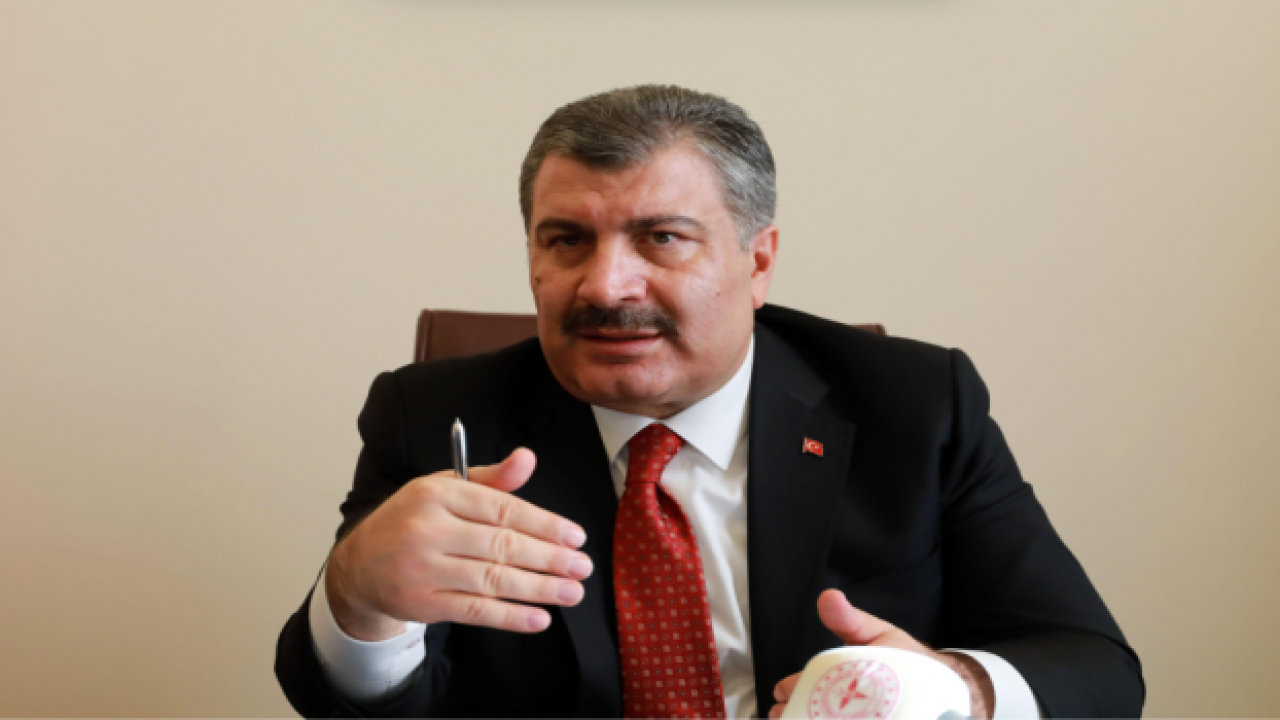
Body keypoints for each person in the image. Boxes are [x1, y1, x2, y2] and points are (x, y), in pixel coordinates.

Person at [275, 85, 1143, 720]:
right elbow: (352, 704)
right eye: (566, 240)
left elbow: (1093, 668)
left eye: (662, 238)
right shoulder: (437, 419)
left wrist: (955, 690)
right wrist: (360, 600)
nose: (605, 285)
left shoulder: (914, 406)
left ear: (757, 262)